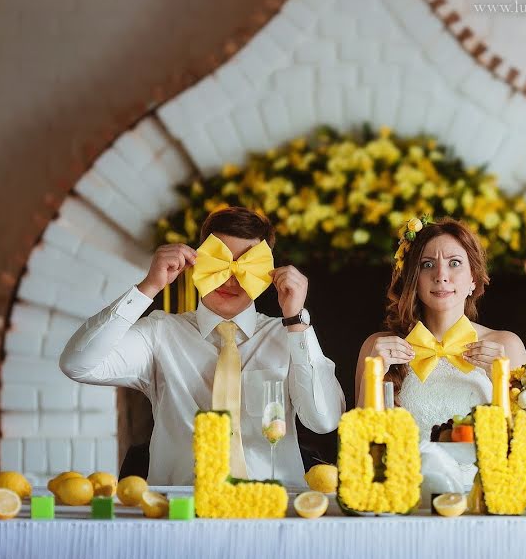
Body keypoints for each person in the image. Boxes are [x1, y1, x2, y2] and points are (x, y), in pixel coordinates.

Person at [59, 207, 345, 486]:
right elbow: (78, 364)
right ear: (197, 260)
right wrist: (148, 287)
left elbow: (324, 420)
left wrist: (296, 320)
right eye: (219, 264)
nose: (231, 279)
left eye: (245, 267)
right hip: (180, 511)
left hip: (274, 510)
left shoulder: (289, 336)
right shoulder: (160, 332)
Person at [354, 217, 526, 437]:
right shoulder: (377, 348)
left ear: (473, 278)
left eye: (454, 263)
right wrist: (373, 375)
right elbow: (359, 444)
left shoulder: (506, 347)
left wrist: (502, 381)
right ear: (414, 279)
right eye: (427, 264)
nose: (441, 276)